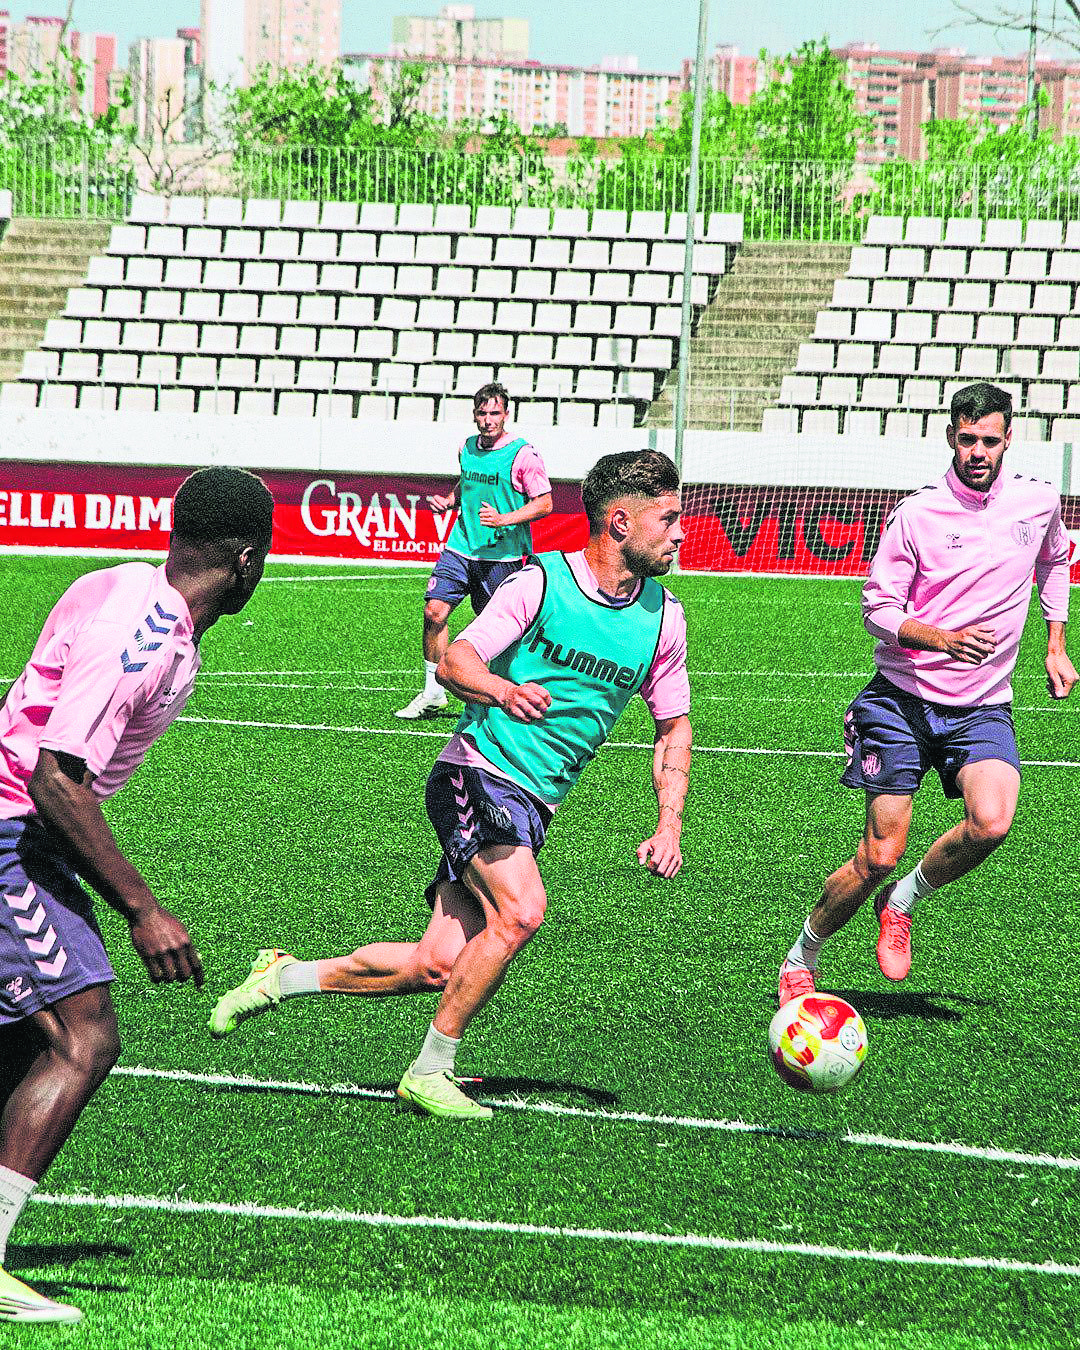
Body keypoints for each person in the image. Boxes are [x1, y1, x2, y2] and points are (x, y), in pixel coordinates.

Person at [211, 449, 692, 1121]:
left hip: (533, 805)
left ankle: (280, 977)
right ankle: (431, 1070)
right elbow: (455, 658)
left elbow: (673, 727)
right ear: (619, 521)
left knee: (434, 964)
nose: (680, 533)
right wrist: (500, 689)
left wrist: (669, 821)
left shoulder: (664, 620)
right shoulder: (539, 584)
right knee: (521, 910)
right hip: (476, 773)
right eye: (668, 519)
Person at [0, 466, 274, 1323]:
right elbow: (57, 781)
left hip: (25, 828)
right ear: (244, 557)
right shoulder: (146, 637)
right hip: (13, 828)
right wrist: (142, 909)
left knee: (23, 1038)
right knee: (85, 1034)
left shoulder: (118, 582)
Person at [777, 381, 1076, 1007]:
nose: (977, 451)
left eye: (989, 440)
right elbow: (876, 610)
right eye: (967, 439)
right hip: (901, 701)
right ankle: (802, 955)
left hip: (983, 704)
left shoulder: (1038, 502)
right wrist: (941, 638)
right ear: (950, 438)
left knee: (992, 823)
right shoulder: (916, 515)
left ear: (1008, 440)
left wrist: (1055, 643)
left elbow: (1055, 560)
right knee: (880, 854)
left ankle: (905, 901)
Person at [395, 382, 553, 719]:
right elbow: (467, 482)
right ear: (475, 416)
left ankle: (504, 694)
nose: (488, 420)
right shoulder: (467, 447)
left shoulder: (524, 453)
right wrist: (450, 501)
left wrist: (503, 519)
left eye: (494, 413)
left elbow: (545, 503)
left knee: (499, 630)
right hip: (460, 547)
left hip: (503, 556)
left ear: (506, 414)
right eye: (482, 413)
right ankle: (433, 693)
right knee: (433, 613)